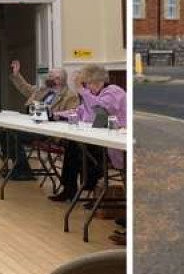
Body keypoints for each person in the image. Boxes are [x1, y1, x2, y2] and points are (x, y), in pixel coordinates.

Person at [50, 64, 127, 202]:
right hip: (98, 139)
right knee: (72, 147)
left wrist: (82, 91)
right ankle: (70, 188)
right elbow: (79, 112)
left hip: (115, 145)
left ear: (96, 81)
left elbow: (100, 110)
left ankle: (88, 191)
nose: (86, 87)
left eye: (87, 83)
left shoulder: (113, 92)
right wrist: (56, 115)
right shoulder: (93, 95)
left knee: (80, 152)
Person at [6, 61, 80, 182]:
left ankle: (22, 171)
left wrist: (53, 115)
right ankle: (17, 168)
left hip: (49, 131)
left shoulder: (69, 96)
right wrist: (17, 74)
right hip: (34, 125)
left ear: (59, 79)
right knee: (6, 132)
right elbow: (26, 89)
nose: (47, 78)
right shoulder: (44, 90)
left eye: (50, 76)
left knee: (14, 134)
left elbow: (71, 116)